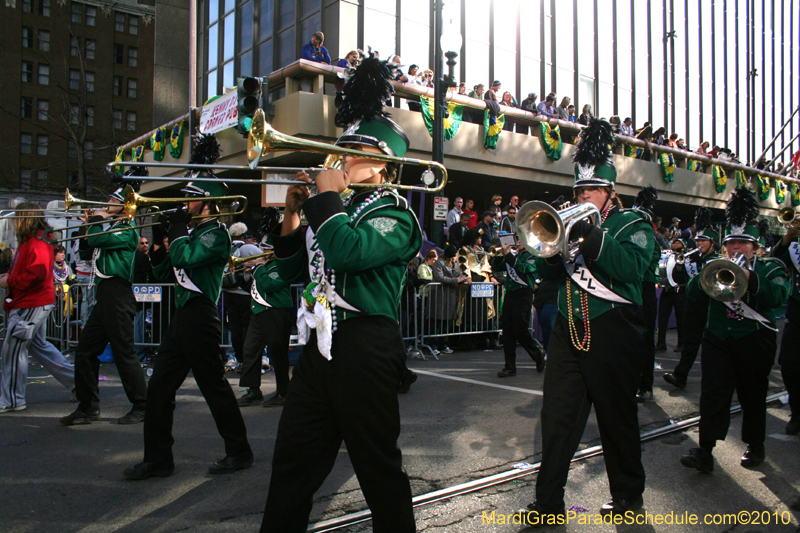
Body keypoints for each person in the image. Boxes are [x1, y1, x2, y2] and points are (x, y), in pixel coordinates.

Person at [260, 52, 421, 532]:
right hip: (320, 347)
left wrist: (325, 201)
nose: (341, 159)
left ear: (381, 164)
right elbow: (291, 271)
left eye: (353, 153)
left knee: (377, 469)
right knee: (293, 461)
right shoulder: (334, 209)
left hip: (366, 347)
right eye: (342, 149)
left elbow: (349, 252)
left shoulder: (395, 215)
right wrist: (292, 217)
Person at [519, 119, 653, 521]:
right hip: (567, 330)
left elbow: (632, 268)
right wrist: (546, 251)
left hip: (613, 330)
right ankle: (548, 505)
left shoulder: (633, 224)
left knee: (617, 420)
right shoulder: (569, 226)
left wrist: (590, 234)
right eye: (578, 190)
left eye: (591, 190)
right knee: (557, 421)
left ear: (610, 193)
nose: (582, 195)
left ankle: (628, 497)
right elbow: (550, 277)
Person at [124, 134, 253, 480]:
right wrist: (156, 252)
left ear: (208, 203)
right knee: (159, 389)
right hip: (183, 317)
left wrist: (178, 232)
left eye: (192, 199)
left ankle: (239, 450)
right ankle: (158, 459)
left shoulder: (216, 234)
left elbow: (189, 256)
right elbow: (169, 270)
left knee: (214, 388)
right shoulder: (193, 232)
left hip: (200, 316)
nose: (185, 203)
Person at [680, 187, 787, 473]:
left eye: (742, 244)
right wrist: (705, 272)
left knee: (753, 394)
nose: (736, 249)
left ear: (755, 247)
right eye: (731, 243)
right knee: (713, 395)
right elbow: (693, 295)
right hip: (718, 337)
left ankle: (755, 445)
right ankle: (705, 450)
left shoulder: (770, 267)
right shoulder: (716, 263)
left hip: (755, 339)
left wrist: (749, 278)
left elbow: (777, 297)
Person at [60, 184, 147, 426]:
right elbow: (86, 251)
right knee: (85, 351)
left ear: (123, 205)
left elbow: (98, 238)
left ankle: (142, 404)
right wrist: (87, 222)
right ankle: (88, 407)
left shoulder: (129, 228)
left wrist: (97, 219)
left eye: (111, 201)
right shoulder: (112, 227)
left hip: (118, 294)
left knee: (124, 352)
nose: (105, 205)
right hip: (105, 294)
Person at [0, 203, 75, 413]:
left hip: (31, 302)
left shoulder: (35, 242)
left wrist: (10, 281)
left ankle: (13, 400)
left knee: (13, 351)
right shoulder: (36, 240)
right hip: (34, 301)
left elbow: (37, 273)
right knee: (39, 346)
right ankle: (80, 383)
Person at [663, 208, 720, 390]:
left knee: (713, 346)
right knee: (690, 343)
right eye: (698, 240)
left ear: (712, 243)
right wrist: (680, 267)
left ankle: (716, 378)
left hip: (711, 306)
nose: (699, 243)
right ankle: (680, 376)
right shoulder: (693, 258)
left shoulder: (717, 261)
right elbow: (681, 280)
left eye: (703, 241)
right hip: (694, 304)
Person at [236, 237, 295, 408]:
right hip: (259, 312)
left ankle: (283, 392)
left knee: (278, 354)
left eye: (265, 250)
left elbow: (270, 284)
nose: (262, 253)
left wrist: (258, 268)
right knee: (250, 350)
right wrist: (247, 274)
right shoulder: (264, 267)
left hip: (276, 312)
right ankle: (253, 390)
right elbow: (253, 289)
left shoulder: (281, 266)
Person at [491, 237, 546, 378]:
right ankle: (509, 367)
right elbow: (497, 267)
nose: (519, 242)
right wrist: (499, 255)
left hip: (523, 295)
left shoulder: (533, 257)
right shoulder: (515, 256)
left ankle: (537, 354)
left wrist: (509, 255)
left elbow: (522, 268)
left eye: (521, 240)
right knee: (508, 332)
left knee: (520, 330)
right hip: (510, 294)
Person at [628, 187, 661, 403]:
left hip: (644, 290)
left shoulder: (648, 240)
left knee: (645, 340)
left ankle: (645, 384)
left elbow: (638, 265)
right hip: (630, 291)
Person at [773, 218, 800, 435]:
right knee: (789, 363)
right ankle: (797, 411)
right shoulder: (794, 244)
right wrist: (788, 237)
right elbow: (776, 259)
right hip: (797, 308)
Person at [221, 222, 252, 371]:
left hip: (228, 293)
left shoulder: (225, 249)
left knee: (234, 328)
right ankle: (247, 359)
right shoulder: (249, 248)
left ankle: (239, 358)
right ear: (244, 235)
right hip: (245, 294)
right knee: (247, 327)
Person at [430, 245, 467, 355]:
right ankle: (433, 345)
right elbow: (439, 277)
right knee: (437, 321)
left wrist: (464, 278)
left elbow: (458, 274)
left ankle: (444, 345)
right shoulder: (439, 263)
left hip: (450, 296)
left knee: (446, 321)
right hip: (439, 295)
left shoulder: (455, 264)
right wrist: (456, 280)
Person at [655, 238, 687, 353]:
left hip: (680, 291)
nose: (675, 244)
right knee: (662, 318)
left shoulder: (686, 256)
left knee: (681, 318)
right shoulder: (667, 255)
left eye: (679, 242)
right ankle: (661, 343)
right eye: (674, 242)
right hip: (667, 290)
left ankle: (682, 343)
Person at [133, 235, 152, 361]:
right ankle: (138, 353)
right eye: (142, 243)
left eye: (146, 243)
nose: (145, 245)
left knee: (140, 324)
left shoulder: (141, 256)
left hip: (141, 295)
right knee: (137, 326)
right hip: (136, 295)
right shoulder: (138, 257)